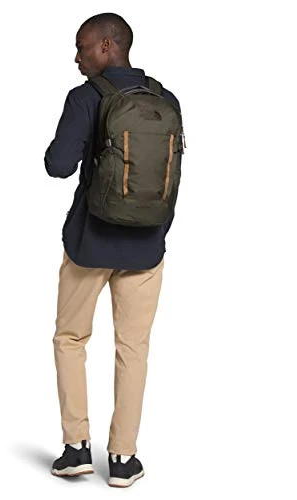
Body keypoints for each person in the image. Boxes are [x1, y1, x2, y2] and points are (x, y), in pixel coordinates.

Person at [44, 12, 182, 488]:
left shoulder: (85, 97)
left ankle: (76, 449)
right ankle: (123, 459)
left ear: (107, 46)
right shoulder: (166, 99)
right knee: (133, 348)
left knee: (70, 340)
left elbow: (58, 166)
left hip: (90, 242)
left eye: (81, 47)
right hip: (146, 247)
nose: (76, 57)